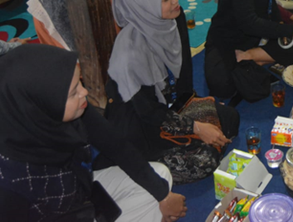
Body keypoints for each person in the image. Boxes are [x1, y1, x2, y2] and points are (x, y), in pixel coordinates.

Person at [0, 44, 187, 222]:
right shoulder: (11, 182)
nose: (84, 92)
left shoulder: (68, 112)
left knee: (160, 178)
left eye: (80, 83)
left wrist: (163, 196)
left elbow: (116, 145)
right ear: (39, 105)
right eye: (73, 92)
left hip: (81, 196)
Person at [104, 0, 239, 184]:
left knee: (230, 117)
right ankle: (140, 168)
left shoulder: (174, 19)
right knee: (204, 160)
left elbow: (183, 77)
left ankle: (202, 140)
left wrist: (193, 104)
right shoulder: (129, 53)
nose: (176, 0)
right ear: (143, 5)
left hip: (170, 107)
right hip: (142, 129)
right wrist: (196, 127)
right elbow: (148, 113)